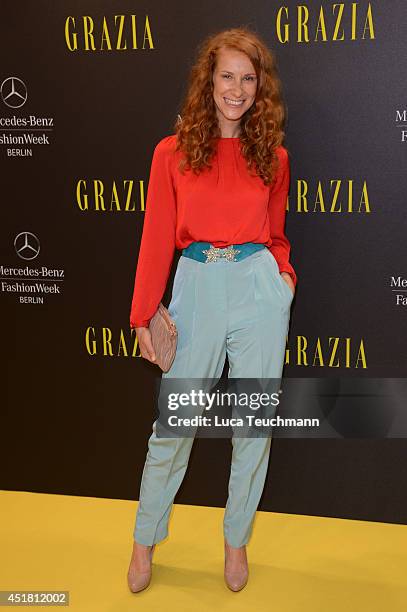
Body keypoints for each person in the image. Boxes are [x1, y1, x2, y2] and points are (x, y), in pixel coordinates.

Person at [127, 26, 297, 593]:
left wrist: (283, 279)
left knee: (254, 424)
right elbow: (155, 240)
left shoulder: (272, 156)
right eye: (227, 75)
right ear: (209, 80)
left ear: (260, 88)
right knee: (174, 424)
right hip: (196, 284)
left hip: (257, 287)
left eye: (248, 78)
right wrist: (143, 315)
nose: (237, 88)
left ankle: (236, 541)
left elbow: (276, 234)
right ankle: (145, 540)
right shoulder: (170, 153)